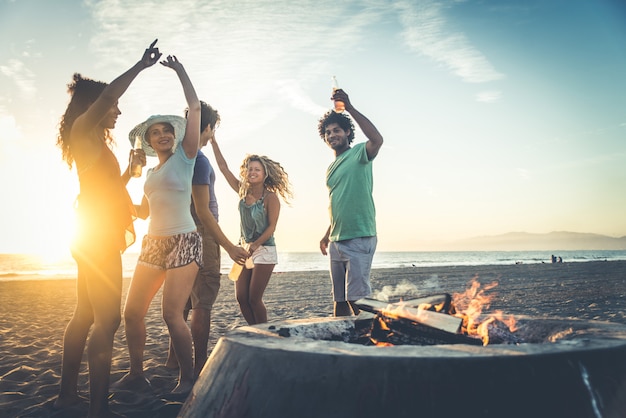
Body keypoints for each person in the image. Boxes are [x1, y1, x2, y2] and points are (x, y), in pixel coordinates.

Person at [53, 40, 160, 417]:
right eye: (112, 105)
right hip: (95, 235)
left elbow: (104, 188)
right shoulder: (83, 130)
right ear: (95, 107)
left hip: (92, 231)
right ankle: (98, 408)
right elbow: (111, 91)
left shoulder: (92, 140)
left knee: (85, 314)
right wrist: (140, 66)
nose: (118, 109)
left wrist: (129, 175)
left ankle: (68, 395)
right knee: (108, 319)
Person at [114, 54, 201, 396]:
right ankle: (137, 373)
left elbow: (193, 108)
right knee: (132, 313)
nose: (163, 134)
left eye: (167, 130)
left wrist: (181, 70)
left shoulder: (186, 156)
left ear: (174, 136)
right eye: (156, 132)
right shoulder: (149, 174)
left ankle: (188, 378)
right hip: (153, 243)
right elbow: (143, 213)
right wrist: (121, 186)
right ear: (148, 141)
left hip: (184, 240)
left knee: (170, 314)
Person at [164, 101, 248, 377]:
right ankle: (199, 364)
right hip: (201, 231)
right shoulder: (199, 161)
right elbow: (203, 210)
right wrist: (228, 245)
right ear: (209, 127)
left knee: (183, 301)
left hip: (178, 230)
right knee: (203, 301)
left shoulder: (179, 156)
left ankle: (173, 359)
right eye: (213, 130)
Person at [210, 139, 293, 325]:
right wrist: (214, 141)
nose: (252, 172)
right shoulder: (242, 191)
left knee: (254, 299)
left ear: (264, 174)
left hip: (264, 250)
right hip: (244, 249)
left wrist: (255, 245)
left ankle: (265, 333)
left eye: (257, 169)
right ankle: (256, 330)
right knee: (241, 297)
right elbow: (223, 168)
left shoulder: (271, 198)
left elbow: (272, 227)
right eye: (249, 169)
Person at [317, 88, 384, 317]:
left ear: (347, 132)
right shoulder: (330, 168)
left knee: (359, 301)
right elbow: (339, 203)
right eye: (328, 132)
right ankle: (342, 348)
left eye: (336, 130)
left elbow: (377, 139)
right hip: (336, 240)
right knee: (340, 301)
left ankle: (377, 342)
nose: (332, 134)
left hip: (359, 237)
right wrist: (328, 234)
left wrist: (350, 108)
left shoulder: (359, 154)